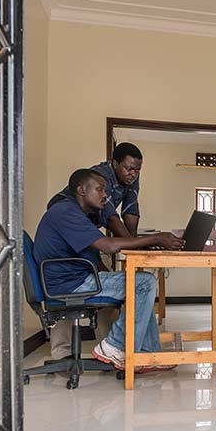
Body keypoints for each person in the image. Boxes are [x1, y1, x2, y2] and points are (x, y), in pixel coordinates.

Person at [34, 168, 185, 372]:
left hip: (75, 278)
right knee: (143, 282)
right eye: (99, 189)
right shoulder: (66, 212)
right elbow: (108, 246)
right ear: (81, 190)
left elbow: (94, 252)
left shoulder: (76, 213)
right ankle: (115, 346)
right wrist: (157, 238)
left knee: (139, 283)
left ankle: (147, 353)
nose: (105, 195)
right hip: (70, 284)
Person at [47, 142, 144, 358]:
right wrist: (136, 245)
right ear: (115, 163)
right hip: (72, 229)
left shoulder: (131, 179)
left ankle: (110, 347)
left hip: (90, 234)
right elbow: (111, 217)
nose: (133, 174)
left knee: (106, 283)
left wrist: (134, 242)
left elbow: (131, 213)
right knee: (71, 280)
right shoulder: (99, 178)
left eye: (137, 170)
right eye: (129, 168)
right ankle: (61, 352)